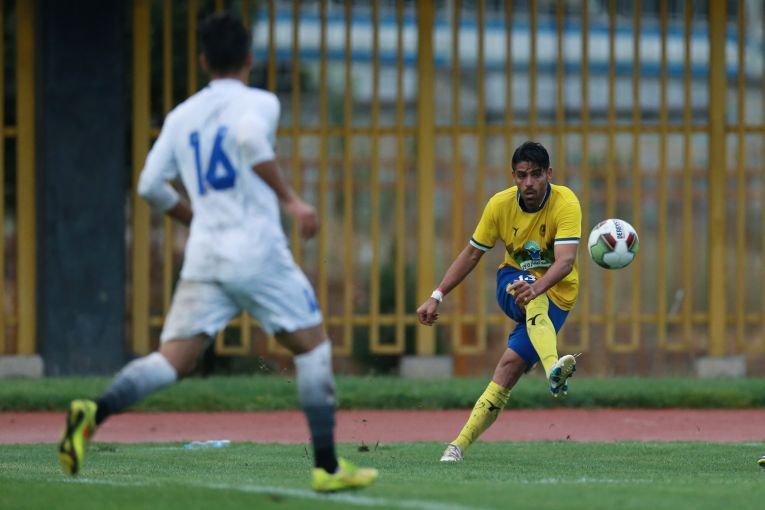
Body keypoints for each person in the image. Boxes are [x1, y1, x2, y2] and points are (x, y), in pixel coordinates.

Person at [58, 13, 377, 492]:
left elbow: (149, 186)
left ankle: (95, 410)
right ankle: (328, 467)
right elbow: (248, 139)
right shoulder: (260, 102)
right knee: (313, 349)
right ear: (249, 57)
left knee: (172, 361)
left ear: (204, 61)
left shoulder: (181, 116)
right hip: (259, 252)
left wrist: (195, 218)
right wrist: (292, 201)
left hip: (206, 255)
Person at [416, 141, 582, 462]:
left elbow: (565, 262)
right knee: (528, 287)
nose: (529, 183)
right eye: (522, 175)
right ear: (513, 176)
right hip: (513, 282)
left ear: (549, 173)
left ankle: (457, 446)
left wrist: (539, 288)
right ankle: (553, 368)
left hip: (558, 296)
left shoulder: (566, 203)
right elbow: (472, 253)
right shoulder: (499, 205)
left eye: (536, 174)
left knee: (508, 367)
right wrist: (437, 295)